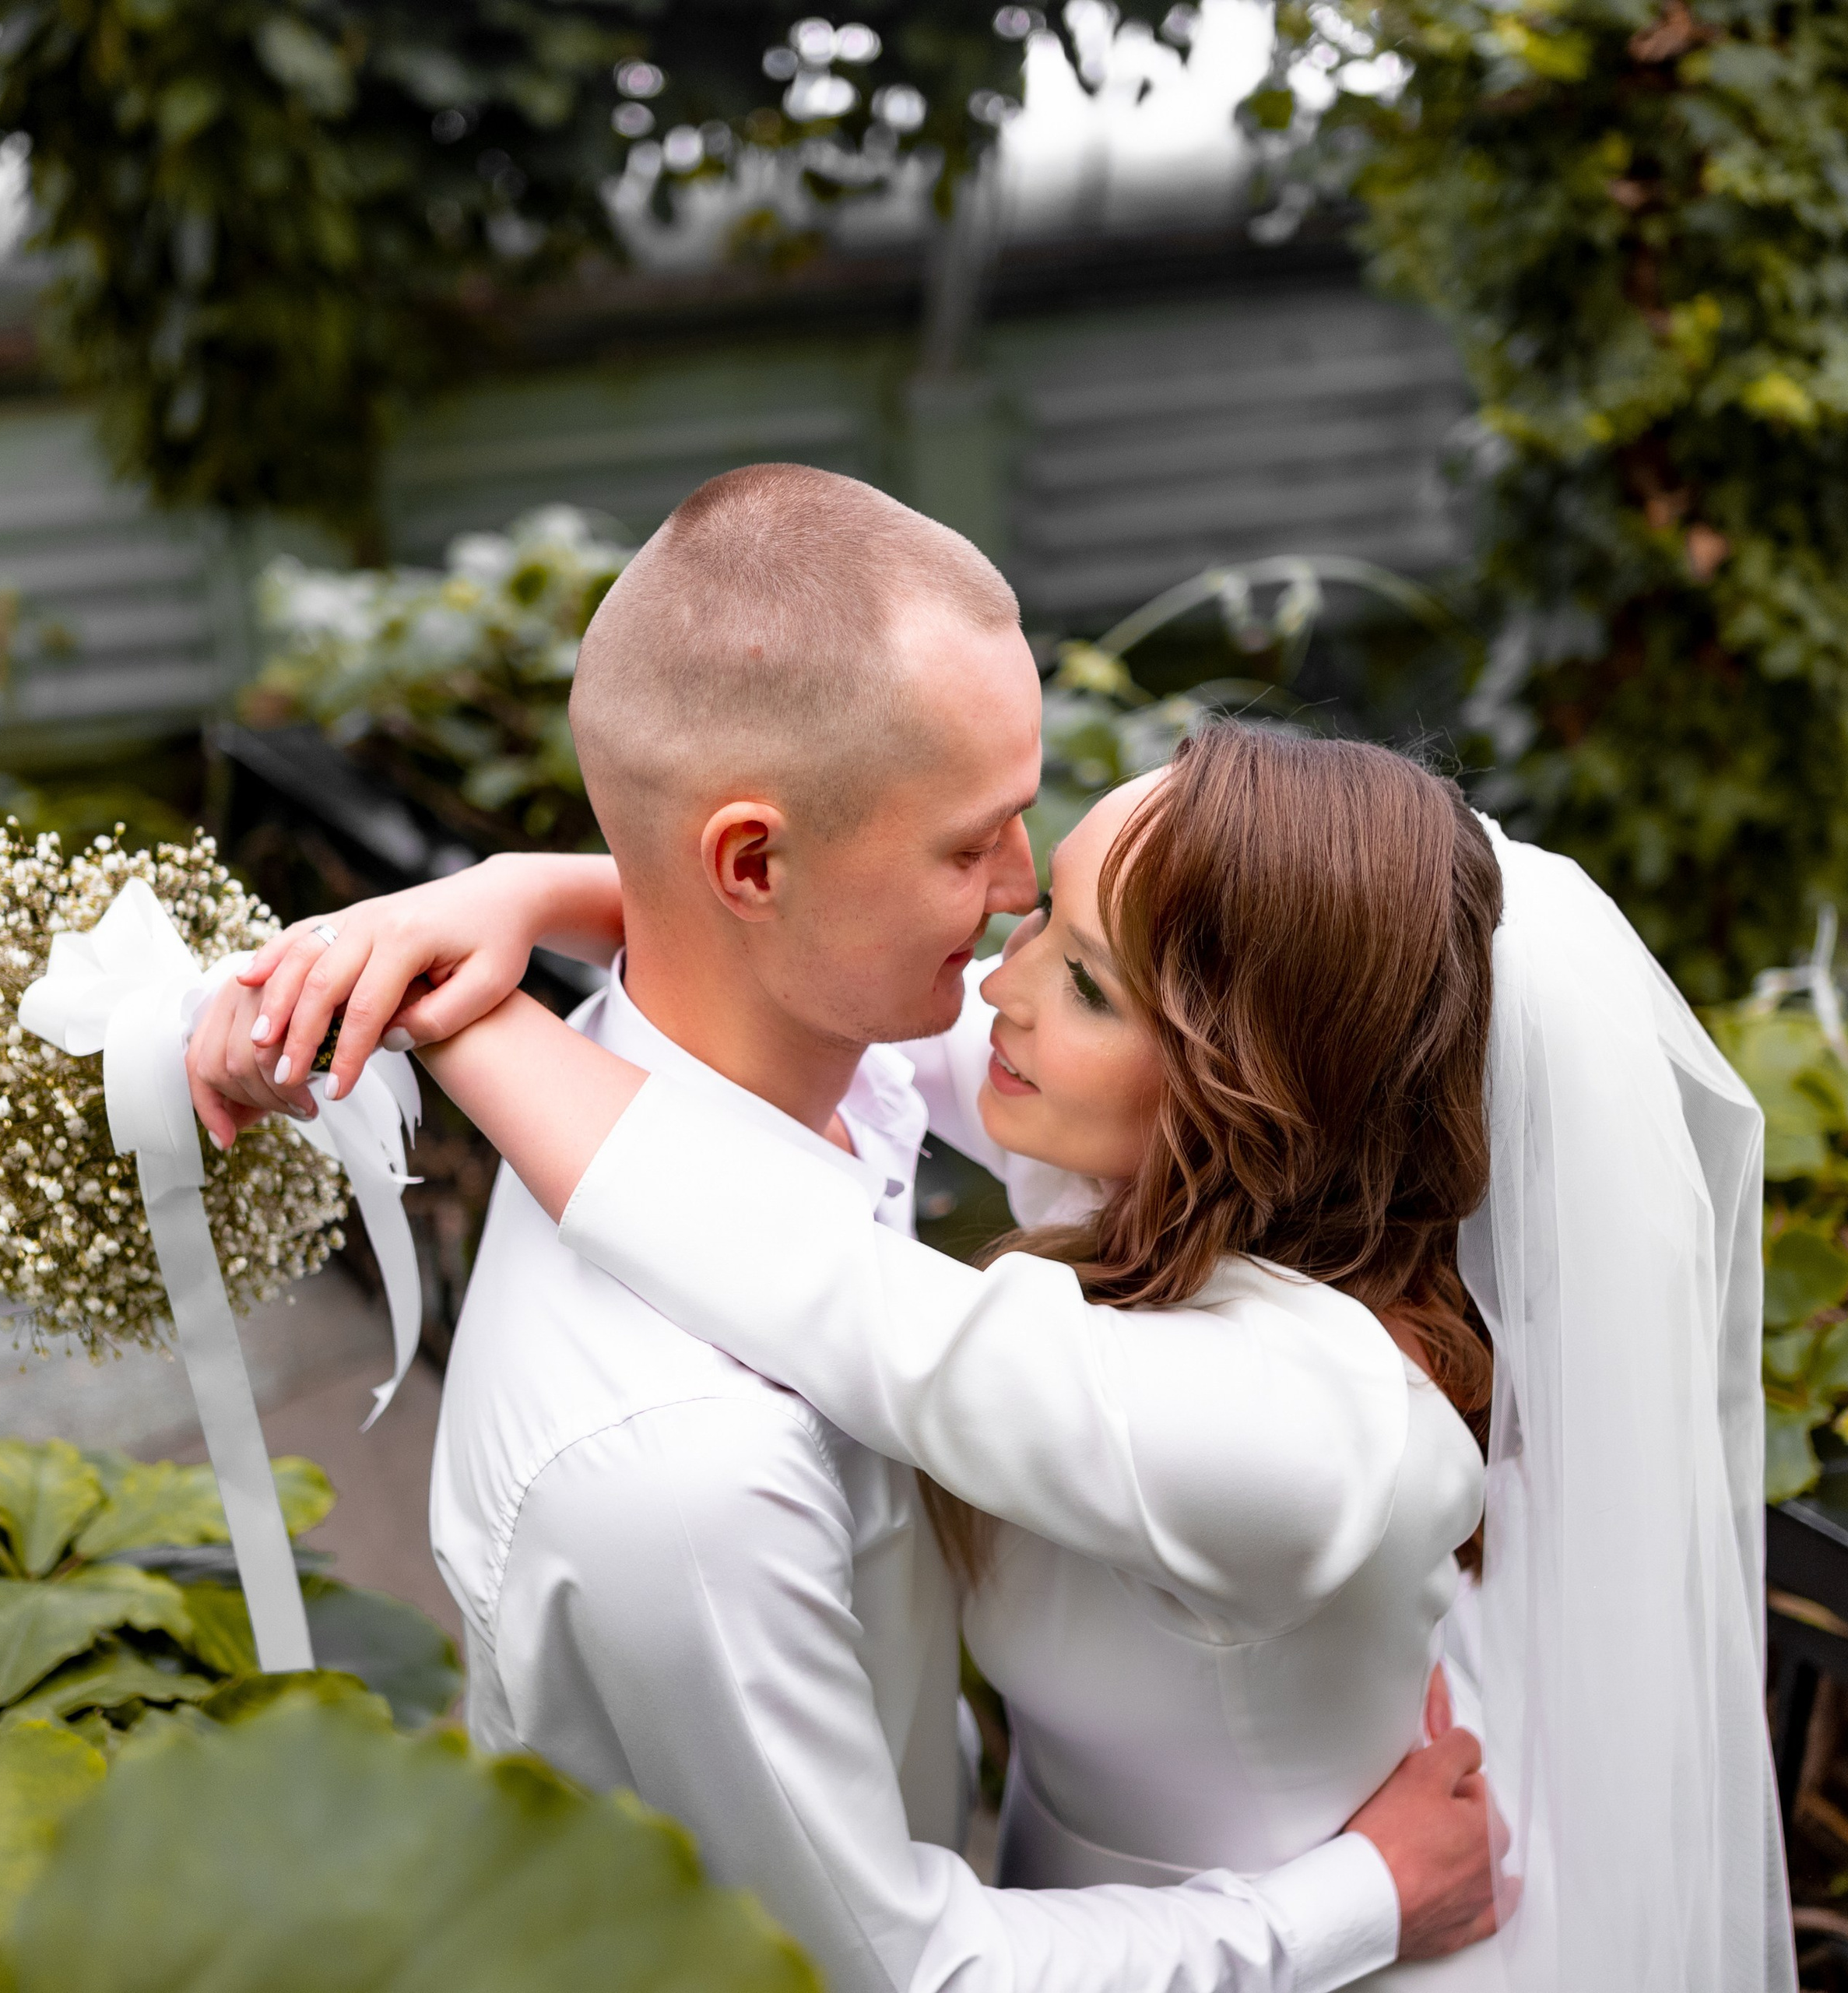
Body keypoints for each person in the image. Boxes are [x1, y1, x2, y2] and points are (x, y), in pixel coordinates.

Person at [191, 466, 1503, 1993]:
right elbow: (896, 1971)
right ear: (751, 866)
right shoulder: (683, 1473)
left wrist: (470, 967)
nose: (1012, 911)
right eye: (974, 845)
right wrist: (1353, 1898)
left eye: (1072, 947)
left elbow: (850, 1294)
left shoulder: (894, 1079)